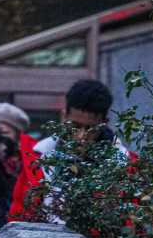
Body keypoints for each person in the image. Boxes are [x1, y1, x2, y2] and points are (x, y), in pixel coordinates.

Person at [10, 80, 130, 221]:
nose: (81, 136)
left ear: (104, 123)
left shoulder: (125, 168)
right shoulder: (37, 158)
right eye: (75, 126)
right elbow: (18, 217)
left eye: (90, 129)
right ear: (63, 116)